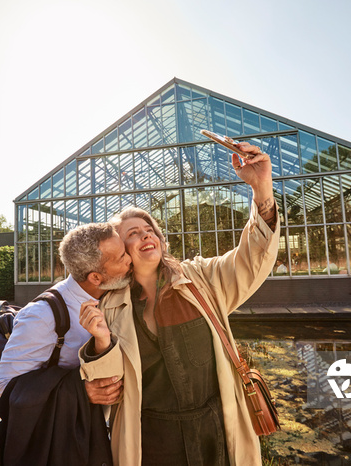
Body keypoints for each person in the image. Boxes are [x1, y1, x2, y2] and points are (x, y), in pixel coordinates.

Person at [78, 141, 280, 465]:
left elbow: (251, 258)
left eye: (149, 229)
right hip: (152, 445)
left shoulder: (201, 278)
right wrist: (101, 342)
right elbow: (107, 390)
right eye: (133, 233)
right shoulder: (111, 307)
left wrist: (262, 190)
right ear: (122, 252)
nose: (146, 235)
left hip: (217, 437)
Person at [0, 222, 130, 465]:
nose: (130, 258)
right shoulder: (42, 316)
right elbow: (4, 387)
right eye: (121, 257)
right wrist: (80, 391)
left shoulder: (110, 293)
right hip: (59, 446)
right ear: (96, 277)